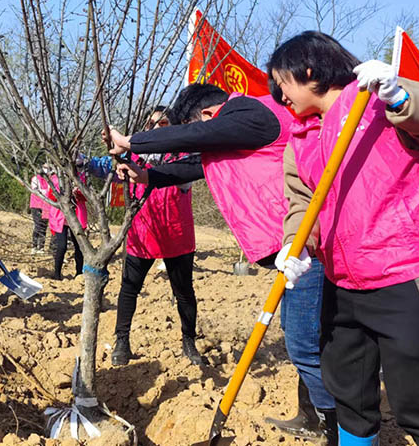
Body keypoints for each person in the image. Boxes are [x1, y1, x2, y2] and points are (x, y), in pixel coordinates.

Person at [268, 31, 419, 446]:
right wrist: (295, 247)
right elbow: (302, 204)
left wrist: (402, 97)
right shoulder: (301, 138)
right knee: (348, 390)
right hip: (343, 282)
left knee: (413, 401)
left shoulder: (376, 98)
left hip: (406, 273)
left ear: (308, 70)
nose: (280, 95)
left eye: (282, 82)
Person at [107, 82, 337, 443]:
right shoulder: (235, 135)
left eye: (196, 127)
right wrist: (148, 174)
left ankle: (334, 428)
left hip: (310, 246)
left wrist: (132, 142)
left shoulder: (251, 114)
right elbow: (194, 165)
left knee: (306, 342)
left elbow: (199, 138)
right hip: (293, 253)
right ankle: (312, 416)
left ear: (208, 115)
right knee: (305, 339)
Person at [88, 106, 201, 366]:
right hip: (143, 230)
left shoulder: (185, 155)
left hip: (177, 230)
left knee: (183, 290)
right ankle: (122, 342)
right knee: (129, 288)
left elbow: (188, 175)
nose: (156, 129)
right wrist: (86, 160)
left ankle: (189, 341)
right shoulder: (135, 154)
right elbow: (105, 166)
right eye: (151, 125)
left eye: (163, 125)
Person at [44, 167, 88, 280]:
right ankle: (57, 274)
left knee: (79, 246)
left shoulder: (80, 177)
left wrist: (77, 192)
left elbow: (86, 195)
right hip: (60, 216)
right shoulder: (55, 178)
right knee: (62, 246)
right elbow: (51, 196)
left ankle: (79, 273)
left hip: (76, 216)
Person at [28, 165, 52, 254]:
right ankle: (34, 246)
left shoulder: (50, 180)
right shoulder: (35, 179)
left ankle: (41, 247)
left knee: (44, 226)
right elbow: (36, 191)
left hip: (46, 205)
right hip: (36, 205)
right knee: (38, 225)